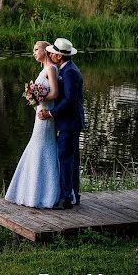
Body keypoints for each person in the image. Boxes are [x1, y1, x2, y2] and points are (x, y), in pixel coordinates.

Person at [4, 41, 62, 208]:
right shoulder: (42, 70)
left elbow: (54, 93)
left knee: (43, 146)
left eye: (37, 50)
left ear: (45, 50)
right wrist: (34, 100)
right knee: (37, 146)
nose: (34, 53)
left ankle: (47, 193)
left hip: (47, 116)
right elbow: (41, 95)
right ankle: (32, 191)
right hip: (40, 114)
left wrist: (39, 97)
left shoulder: (51, 68)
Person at [39, 38, 84, 209]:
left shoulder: (70, 72)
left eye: (52, 53)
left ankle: (66, 198)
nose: (50, 54)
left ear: (59, 56)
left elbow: (70, 100)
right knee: (70, 159)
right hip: (69, 122)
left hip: (70, 123)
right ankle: (73, 195)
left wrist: (51, 113)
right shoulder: (66, 69)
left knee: (65, 159)